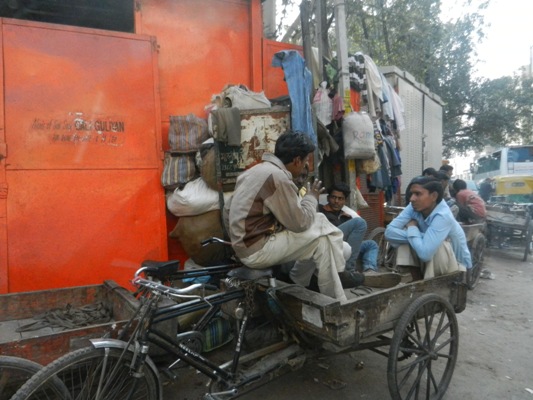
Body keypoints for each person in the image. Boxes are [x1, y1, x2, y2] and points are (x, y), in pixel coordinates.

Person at [226, 131, 350, 302]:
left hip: (243, 247)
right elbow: (301, 223)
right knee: (320, 222)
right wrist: (312, 197)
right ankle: (338, 284)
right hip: (256, 251)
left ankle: (309, 285)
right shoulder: (277, 177)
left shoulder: (253, 171)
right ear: (297, 160)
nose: (305, 166)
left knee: (322, 241)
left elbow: (227, 210)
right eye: (305, 161)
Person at [385, 176, 471, 280]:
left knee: (438, 245)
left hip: (456, 264)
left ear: (434, 196)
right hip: (429, 255)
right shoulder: (413, 207)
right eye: (412, 194)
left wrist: (412, 228)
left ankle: (429, 284)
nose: (411, 198)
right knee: (408, 242)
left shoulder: (443, 215)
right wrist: (424, 238)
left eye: (418, 194)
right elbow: (389, 232)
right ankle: (417, 281)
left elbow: (425, 254)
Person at [319, 183, 380, 274]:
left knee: (371, 244)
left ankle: (370, 271)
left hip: (345, 246)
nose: (336, 201)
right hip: (328, 242)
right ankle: (349, 269)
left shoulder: (346, 216)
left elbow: (354, 241)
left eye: (340, 199)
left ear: (345, 201)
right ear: (328, 198)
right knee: (360, 223)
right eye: (333, 197)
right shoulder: (321, 210)